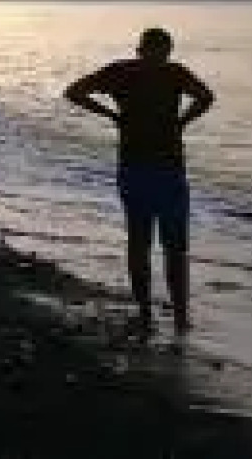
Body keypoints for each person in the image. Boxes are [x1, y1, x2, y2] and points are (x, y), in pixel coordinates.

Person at [64, 27, 216, 336]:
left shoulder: (121, 72)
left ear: (140, 48)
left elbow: (75, 91)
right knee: (173, 247)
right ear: (164, 50)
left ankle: (148, 314)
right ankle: (179, 319)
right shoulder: (173, 73)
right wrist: (181, 123)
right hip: (167, 169)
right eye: (160, 51)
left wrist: (112, 115)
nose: (158, 58)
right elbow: (206, 97)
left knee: (140, 243)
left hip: (136, 168)